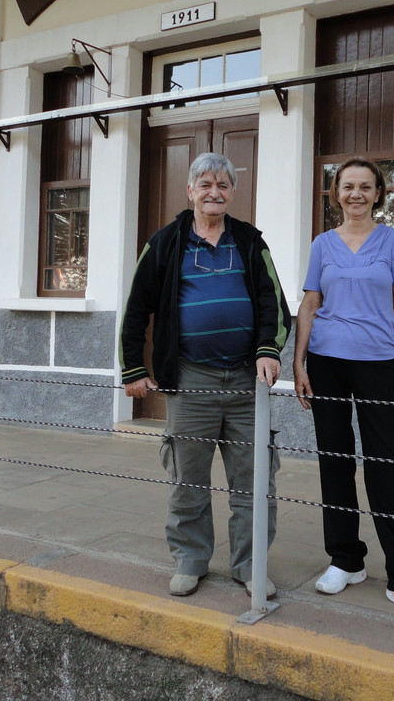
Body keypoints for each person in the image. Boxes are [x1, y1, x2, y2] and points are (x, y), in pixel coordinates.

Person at [292, 157, 394, 615]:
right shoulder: (322, 244)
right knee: (335, 461)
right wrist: (298, 362)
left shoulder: (393, 241)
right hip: (325, 362)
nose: (356, 194)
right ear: (336, 193)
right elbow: (309, 304)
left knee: (388, 464)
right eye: (348, 186)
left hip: (379, 363)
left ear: (379, 193)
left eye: (366, 186)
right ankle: (345, 560)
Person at [120, 152, 290, 599]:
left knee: (254, 482)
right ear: (191, 190)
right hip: (190, 381)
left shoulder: (250, 242)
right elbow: (136, 307)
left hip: (246, 384)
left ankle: (251, 565)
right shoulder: (165, 243)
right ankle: (191, 559)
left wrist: (269, 351)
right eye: (206, 184)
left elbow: (276, 304)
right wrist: (134, 368)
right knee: (187, 479)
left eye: (224, 185)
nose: (215, 192)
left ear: (232, 193)